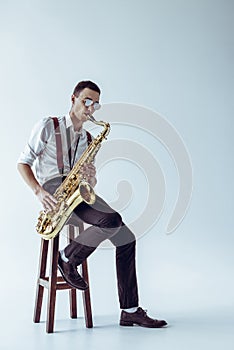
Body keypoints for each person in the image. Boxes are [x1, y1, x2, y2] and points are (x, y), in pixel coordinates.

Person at [17, 80, 167, 328]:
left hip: (76, 191)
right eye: (87, 101)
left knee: (126, 237)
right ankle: (66, 258)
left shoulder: (87, 138)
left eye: (95, 104)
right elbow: (23, 163)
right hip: (54, 191)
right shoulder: (48, 125)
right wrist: (38, 191)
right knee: (112, 220)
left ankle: (129, 310)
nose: (91, 107)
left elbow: (90, 181)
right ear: (73, 98)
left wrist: (91, 176)